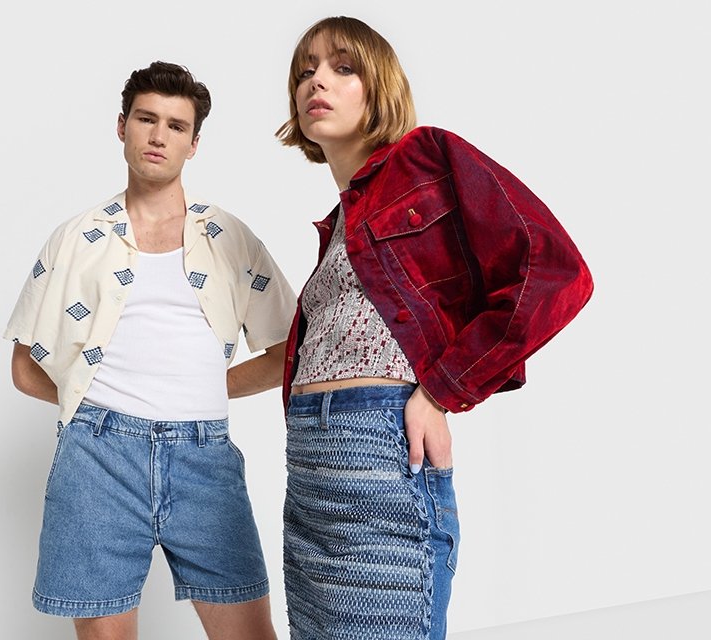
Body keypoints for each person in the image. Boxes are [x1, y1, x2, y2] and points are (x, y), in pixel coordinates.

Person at [275, 17, 594, 639]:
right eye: (305, 71)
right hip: (308, 467)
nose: (317, 80)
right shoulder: (339, 225)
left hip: (379, 447)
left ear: (379, 86)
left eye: (343, 67)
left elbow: (556, 272)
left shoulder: (427, 157)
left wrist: (442, 390)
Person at [4, 61, 294, 640]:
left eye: (176, 125)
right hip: (98, 457)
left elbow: (288, 349)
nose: (159, 135)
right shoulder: (76, 237)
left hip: (204, 455)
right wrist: (96, 401)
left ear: (194, 143)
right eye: (146, 119)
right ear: (122, 127)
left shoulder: (229, 237)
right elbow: (24, 367)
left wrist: (211, 386)